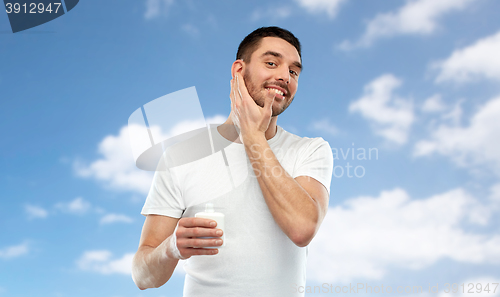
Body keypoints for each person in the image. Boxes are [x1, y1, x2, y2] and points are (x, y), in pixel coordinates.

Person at [132, 26, 334, 296]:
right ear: (239, 70)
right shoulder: (181, 155)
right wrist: (171, 248)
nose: (285, 76)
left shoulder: (310, 151)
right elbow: (143, 276)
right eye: (271, 63)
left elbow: (302, 229)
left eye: (294, 71)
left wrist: (252, 134)